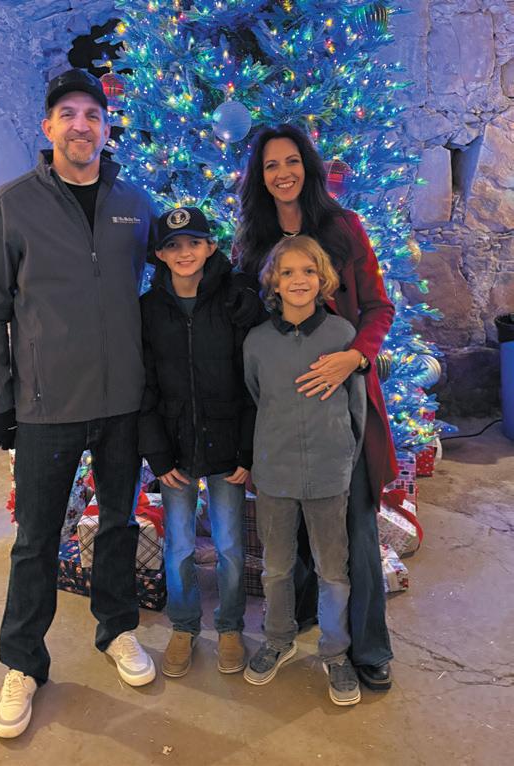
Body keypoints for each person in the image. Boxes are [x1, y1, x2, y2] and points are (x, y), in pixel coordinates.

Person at [0, 69, 157, 739]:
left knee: (118, 525)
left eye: (93, 115)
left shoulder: (134, 203)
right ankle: (23, 661)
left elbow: (170, 281)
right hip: (45, 406)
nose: (82, 125)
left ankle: (117, 628)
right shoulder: (12, 206)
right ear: (48, 127)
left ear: (106, 128)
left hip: (122, 401)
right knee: (36, 539)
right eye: (68, 113)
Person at [235, 123, 398, 692]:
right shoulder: (253, 242)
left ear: (308, 166)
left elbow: (379, 306)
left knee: (354, 534)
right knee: (289, 543)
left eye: (291, 161)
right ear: (260, 177)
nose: (283, 173)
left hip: (341, 404)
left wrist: (354, 356)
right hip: (285, 416)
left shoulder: (344, 227)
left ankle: (367, 647)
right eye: (270, 165)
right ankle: (297, 624)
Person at [243, 235, 366, 705]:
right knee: (276, 567)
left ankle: (335, 651)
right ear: (274, 282)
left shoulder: (342, 336)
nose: (299, 280)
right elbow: (257, 396)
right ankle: (278, 637)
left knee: (333, 569)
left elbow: (356, 407)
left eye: (308, 271)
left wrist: (344, 455)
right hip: (274, 473)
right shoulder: (257, 342)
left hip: (329, 471)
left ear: (322, 279)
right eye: (288, 272)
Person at [139, 207, 256, 679]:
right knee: (180, 545)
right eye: (172, 246)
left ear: (210, 247)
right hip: (175, 447)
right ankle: (184, 625)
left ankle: (229, 625)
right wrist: (157, 452)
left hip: (227, 445)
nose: (183, 253)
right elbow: (144, 384)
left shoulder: (234, 301)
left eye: (193, 243)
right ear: (160, 255)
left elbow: (251, 381)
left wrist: (247, 450)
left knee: (229, 544)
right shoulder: (148, 310)